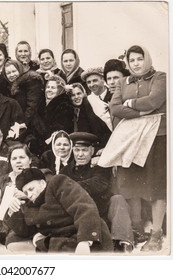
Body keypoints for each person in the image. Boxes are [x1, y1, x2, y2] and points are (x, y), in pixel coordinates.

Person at [102, 45, 167, 252]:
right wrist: (142, 113)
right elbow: (115, 108)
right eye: (132, 60)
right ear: (127, 63)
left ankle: (156, 233)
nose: (136, 63)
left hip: (158, 136)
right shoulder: (123, 81)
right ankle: (137, 228)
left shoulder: (160, 78)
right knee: (131, 181)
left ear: (146, 59)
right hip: (131, 138)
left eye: (140, 59)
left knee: (157, 185)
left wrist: (130, 103)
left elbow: (156, 100)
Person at [4, 168, 113, 253]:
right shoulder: (30, 205)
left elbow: (83, 207)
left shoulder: (57, 183)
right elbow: (24, 231)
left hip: (86, 237)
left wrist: (84, 241)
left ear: (42, 183)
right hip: (62, 243)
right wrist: (12, 210)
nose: (30, 195)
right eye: (26, 193)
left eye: (31, 189)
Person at [61, 132, 134, 253]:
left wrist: (72, 186)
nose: (80, 154)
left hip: (102, 211)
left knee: (118, 199)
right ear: (72, 150)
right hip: (80, 215)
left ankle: (122, 243)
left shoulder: (100, 166)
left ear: (91, 151)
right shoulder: (66, 171)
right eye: (77, 150)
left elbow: (99, 183)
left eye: (84, 150)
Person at [28, 74, 73, 156]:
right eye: (48, 87)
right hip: (37, 146)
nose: (49, 90)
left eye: (53, 88)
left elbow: (60, 130)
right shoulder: (40, 105)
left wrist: (43, 143)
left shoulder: (64, 106)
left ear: (60, 90)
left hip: (53, 148)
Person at [69, 83, 111, 150]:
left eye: (79, 93)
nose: (76, 97)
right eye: (73, 95)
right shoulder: (68, 112)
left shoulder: (91, 107)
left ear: (84, 94)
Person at [3, 59, 43, 128]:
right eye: (8, 73)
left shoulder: (30, 81)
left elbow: (32, 106)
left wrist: (24, 123)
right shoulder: (10, 86)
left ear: (19, 69)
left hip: (31, 124)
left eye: (14, 71)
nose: (12, 75)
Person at [103, 59, 131, 126]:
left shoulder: (131, 98)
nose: (111, 82)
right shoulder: (108, 100)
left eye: (116, 78)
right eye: (109, 79)